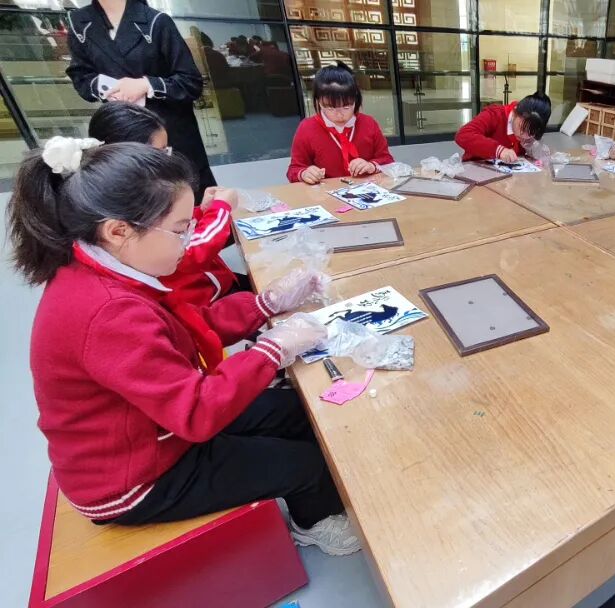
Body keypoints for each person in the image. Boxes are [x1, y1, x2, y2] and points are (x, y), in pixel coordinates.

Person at [8, 137, 359, 556]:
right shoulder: (108, 311)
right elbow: (196, 413)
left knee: (297, 410)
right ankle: (313, 525)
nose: (190, 239)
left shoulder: (105, 269)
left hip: (156, 427)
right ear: (118, 231)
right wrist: (272, 349)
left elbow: (188, 327)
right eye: (180, 230)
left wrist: (265, 303)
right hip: (134, 478)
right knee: (306, 465)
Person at [88, 101, 246, 303]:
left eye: (166, 150)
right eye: (160, 151)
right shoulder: (127, 204)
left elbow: (173, 229)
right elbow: (188, 252)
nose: (166, 159)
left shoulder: (137, 186)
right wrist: (221, 210)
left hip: (211, 283)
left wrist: (202, 212)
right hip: (200, 301)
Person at [65, 0, 217, 197]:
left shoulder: (155, 21)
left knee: (185, 192)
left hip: (169, 126)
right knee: (134, 198)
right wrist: (106, 87)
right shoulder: (80, 23)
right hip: (121, 130)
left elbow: (191, 82)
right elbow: (80, 75)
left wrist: (146, 85)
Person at [286, 62, 393, 184]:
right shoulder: (307, 128)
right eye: (330, 108)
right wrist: (304, 173)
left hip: (366, 189)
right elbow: (293, 170)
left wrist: (372, 166)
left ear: (355, 99)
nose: (339, 114)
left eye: (346, 107)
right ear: (319, 102)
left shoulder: (368, 123)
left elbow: (387, 160)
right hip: (326, 192)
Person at [455, 91, 551, 163]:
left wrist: (533, 148)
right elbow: (463, 135)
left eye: (531, 132)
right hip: (476, 169)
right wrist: (498, 150)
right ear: (515, 112)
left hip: (506, 176)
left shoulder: (528, 134)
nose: (524, 136)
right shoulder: (495, 115)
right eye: (522, 128)